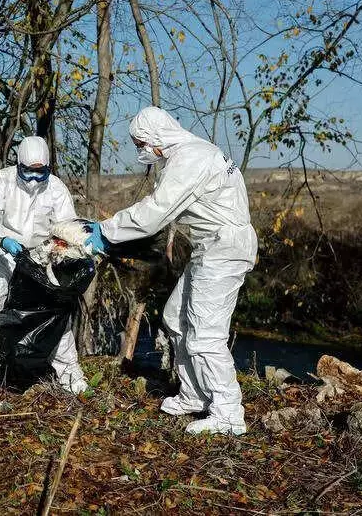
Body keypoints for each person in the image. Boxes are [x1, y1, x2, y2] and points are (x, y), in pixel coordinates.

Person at [85, 107, 257, 435]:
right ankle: (194, 394)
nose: (141, 151)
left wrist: (104, 232)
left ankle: (228, 412)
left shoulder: (190, 159)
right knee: (176, 319)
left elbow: (154, 212)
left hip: (225, 250)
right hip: (212, 248)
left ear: (157, 139)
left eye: (141, 144)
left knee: (206, 334)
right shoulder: (188, 154)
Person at [0, 136, 88, 417]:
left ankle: (70, 375)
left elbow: (67, 226)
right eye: (28, 170)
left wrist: (68, 246)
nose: (33, 177)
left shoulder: (56, 189)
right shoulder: (0, 182)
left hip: (39, 260)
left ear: (49, 167)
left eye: (40, 171)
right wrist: (1, 239)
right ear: (17, 164)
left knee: (54, 315)